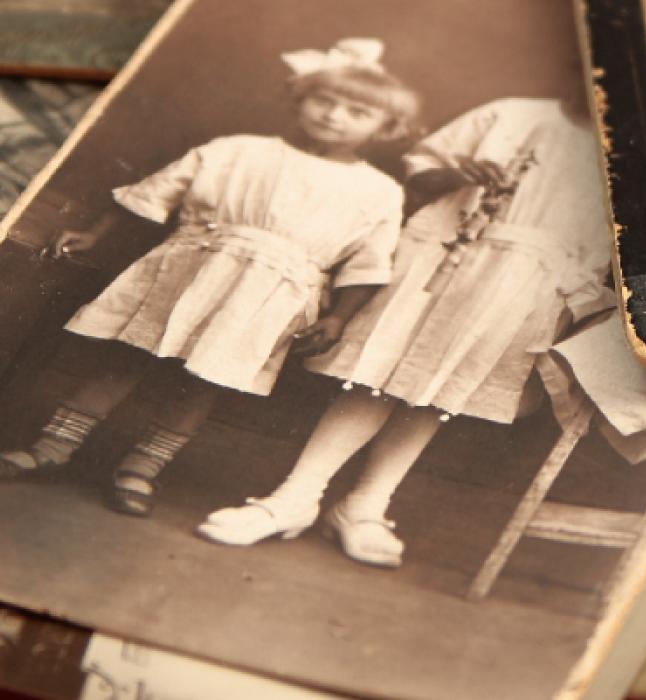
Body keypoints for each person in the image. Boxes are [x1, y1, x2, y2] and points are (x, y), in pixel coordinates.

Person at [0, 38, 418, 517]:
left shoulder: (378, 191)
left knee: (205, 381)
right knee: (126, 358)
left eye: (357, 111)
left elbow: (368, 261)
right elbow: (156, 191)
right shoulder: (238, 150)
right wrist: (95, 235)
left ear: (387, 128)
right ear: (300, 98)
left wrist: (340, 317)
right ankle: (53, 446)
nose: (334, 116)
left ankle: (141, 468)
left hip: (272, 294)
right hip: (190, 268)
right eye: (325, 101)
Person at [197, 87, 612, 568]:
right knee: (377, 376)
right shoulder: (513, 114)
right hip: (446, 254)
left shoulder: (625, 155)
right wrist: (458, 175)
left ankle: (365, 506)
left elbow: (604, 245)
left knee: (439, 391)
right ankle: (296, 496)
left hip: (532, 285)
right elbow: (421, 174)